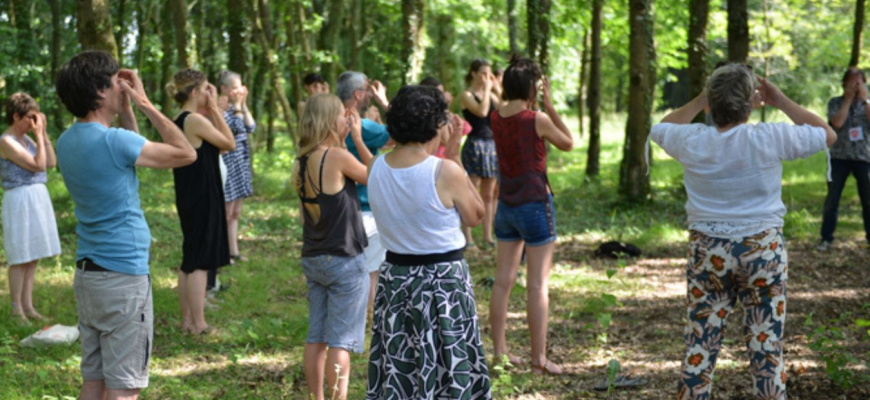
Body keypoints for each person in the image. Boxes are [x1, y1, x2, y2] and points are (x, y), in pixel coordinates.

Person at [650, 64, 835, 400]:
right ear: (750, 104)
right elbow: (827, 133)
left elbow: (661, 128)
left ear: (712, 102)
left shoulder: (692, 140)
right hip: (762, 253)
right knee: (767, 352)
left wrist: (699, 100)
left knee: (699, 350)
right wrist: (781, 101)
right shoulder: (770, 137)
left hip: (708, 253)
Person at [55, 51, 196, 400]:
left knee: (94, 382)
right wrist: (145, 102)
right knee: (123, 390)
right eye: (117, 82)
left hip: (89, 276)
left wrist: (128, 110)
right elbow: (186, 153)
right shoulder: (113, 141)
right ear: (101, 92)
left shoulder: (66, 141)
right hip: (123, 278)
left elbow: (135, 156)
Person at [366, 85, 491, 399]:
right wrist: (452, 155)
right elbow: (476, 214)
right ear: (436, 126)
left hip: (395, 278)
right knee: (447, 363)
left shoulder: (375, 166)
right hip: (442, 283)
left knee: (402, 364)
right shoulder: (444, 170)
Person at [487, 57, 574, 375]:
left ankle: (500, 354)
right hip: (536, 205)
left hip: (506, 206)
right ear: (533, 88)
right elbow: (568, 143)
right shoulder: (535, 118)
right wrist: (550, 105)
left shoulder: (496, 117)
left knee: (502, 283)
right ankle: (539, 359)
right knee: (537, 285)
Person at [291, 93, 372, 400]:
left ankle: (316, 397)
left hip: (314, 257)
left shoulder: (301, 162)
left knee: (316, 337)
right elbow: (376, 176)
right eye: (341, 115)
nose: (346, 120)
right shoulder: (337, 157)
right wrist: (358, 139)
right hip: (344, 258)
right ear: (328, 121)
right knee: (339, 342)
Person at [169, 69, 235, 335]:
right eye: (207, 89)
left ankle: (187, 320)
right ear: (195, 92)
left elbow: (215, 146)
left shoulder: (178, 119)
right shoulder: (194, 120)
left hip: (188, 190)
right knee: (200, 260)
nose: (211, 94)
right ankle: (198, 323)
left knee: (190, 257)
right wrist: (217, 109)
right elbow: (229, 143)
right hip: (202, 192)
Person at [0, 93, 61, 323]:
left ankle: (29, 305)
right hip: (19, 200)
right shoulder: (7, 141)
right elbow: (38, 165)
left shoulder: (27, 139)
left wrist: (42, 135)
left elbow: (52, 162)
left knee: (32, 256)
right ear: (16, 116)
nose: (34, 122)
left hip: (36, 198)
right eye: (30, 117)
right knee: (20, 255)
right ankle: (16, 308)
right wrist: (38, 133)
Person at [335, 71, 391, 318]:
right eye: (368, 90)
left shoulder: (330, 121)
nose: (370, 94)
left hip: (338, 206)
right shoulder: (364, 127)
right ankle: (369, 317)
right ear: (358, 94)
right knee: (370, 269)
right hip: (365, 208)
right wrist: (385, 102)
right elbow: (404, 134)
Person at [817, 67, 870, 251]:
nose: (856, 87)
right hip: (839, 157)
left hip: (864, 157)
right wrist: (847, 100)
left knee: (868, 200)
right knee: (832, 199)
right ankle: (826, 239)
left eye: (859, 82)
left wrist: (865, 101)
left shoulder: (868, 103)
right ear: (844, 84)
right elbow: (837, 123)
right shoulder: (835, 102)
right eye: (852, 82)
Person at [460, 59, 502, 248]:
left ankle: (488, 236)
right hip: (475, 145)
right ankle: (467, 237)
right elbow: (483, 112)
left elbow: (503, 109)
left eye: (489, 74)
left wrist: (497, 87)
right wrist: (486, 89)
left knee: (490, 194)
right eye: (483, 74)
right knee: (471, 190)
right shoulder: (466, 95)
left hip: (491, 145)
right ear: (474, 74)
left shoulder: (491, 94)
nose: (486, 77)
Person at [218, 70, 255, 264]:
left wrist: (243, 105)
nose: (237, 91)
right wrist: (239, 106)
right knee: (225, 212)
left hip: (241, 163)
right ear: (223, 89)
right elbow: (238, 127)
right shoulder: (220, 108)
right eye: (234, 88)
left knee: (235, 213)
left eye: (239, 87)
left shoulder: (238, 107)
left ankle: (234, 251)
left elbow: (251, 127)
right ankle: (221, 252)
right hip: (228, 164)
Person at [420, 76, 471, 160]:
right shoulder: (428, 115)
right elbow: (445, 140)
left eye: (442, 93)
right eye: (439, 93)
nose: (442, 96)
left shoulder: (441, 113)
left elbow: (466, 128)